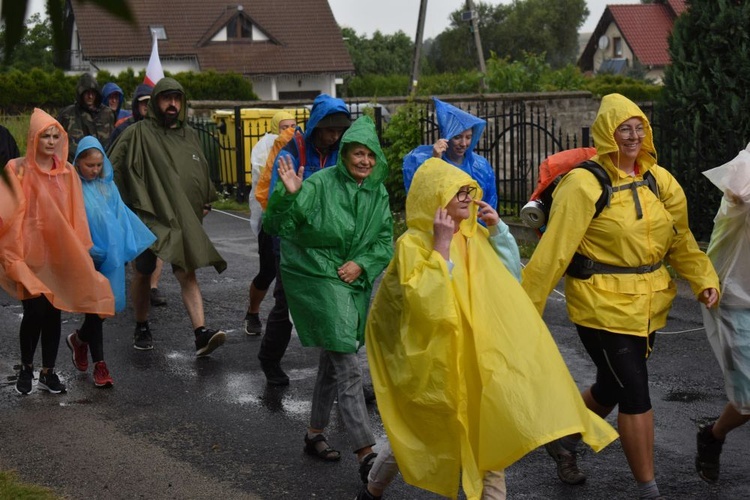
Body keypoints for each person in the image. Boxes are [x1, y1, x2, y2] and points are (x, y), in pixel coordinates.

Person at [361, 158, 617, 500]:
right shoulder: (413, 244)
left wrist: (498, 230)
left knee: (487, 446)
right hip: (437, 364)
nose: (468, 197)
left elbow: (510, 279)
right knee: (418, 432)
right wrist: (440, 245)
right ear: (436, 197)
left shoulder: (476, 236)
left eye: (470, 190)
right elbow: (425, 302)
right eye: (458, 192)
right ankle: (373, 489)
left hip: (479, 358)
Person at [521, 93, 720, 499]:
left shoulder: (659, 180)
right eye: (623, 128)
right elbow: (554, 251)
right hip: (599, 305)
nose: (632, 136)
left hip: (647, 304)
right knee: (634, 391)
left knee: (611, 387)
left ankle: (564, 440)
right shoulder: (583, 183)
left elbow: (681, 239)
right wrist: (524, 311)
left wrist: (703, 279)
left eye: (638, 127)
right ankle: (649, 489)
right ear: (607, 134)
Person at [263, 115, 393, 481]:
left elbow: (384, 242)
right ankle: (366, 452)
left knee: (332, 359)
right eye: (357, 153)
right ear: (346, 153)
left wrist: (362, 265)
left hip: (352, 282)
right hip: (318, 276)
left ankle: (314, 434)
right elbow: (278, 226)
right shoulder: (319, 184)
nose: (364, 161)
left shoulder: (377, 193)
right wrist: (289, 196)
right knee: (348, 366)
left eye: (370, 154)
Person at [108, 77, 227, 356]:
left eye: (177, 98)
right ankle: (141, 324)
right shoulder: (137, 133)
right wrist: (121, 207)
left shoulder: (190, 135)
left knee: (187, 270)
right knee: (144, 271)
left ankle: (201, 333)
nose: (172, 104)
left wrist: (206, 196)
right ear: (156, 102)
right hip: (149, 218)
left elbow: (200, 169)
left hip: (183, 217)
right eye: (166, 98)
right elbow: (111, 168)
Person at [0, 109, 114, 395]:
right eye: (45, 136)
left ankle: (48, 372)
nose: (50, 141)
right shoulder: (17, 169)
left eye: (55, 136)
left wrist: (81, 252)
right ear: (34, 138)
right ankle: (27, 367)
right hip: (29, 255)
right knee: (34, 311)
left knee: (53, 313)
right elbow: (5, 209)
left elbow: (77, 216)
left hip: (59, 256)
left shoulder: (66, 173)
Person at [258, 93, 351, 385]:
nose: (334, 136)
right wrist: (294, 193)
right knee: (287, 305)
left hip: (328, 241)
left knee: (336, 304)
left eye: (339, 130)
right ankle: (269, 359)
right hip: (290, 242)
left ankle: (345, 377)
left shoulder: (341, 153)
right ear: (316, 127)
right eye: (329, 129)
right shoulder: (290, 153)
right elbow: (276, 203)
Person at [67, 136, 156, 387]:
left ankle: (79, 340)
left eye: (98, 165)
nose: (95, 170)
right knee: (95, 308)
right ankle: (101, 365)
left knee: (104, 310)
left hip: (110, 257)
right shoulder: (73, 187)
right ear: (78, 164)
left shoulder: (108, 186)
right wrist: (87, 248)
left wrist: (123, 246)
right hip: (86, 257)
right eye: (89, 166)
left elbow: (120, 216)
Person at [695, 145, 750, 483]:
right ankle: (712, 436)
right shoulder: (744, 168)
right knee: (748, 399)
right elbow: (739, 192)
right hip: (734, 299)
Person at [107, 83, 167, 308]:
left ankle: (152, 286)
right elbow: (111, 159)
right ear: (136, 105)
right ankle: (141, 282)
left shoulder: (163, 130)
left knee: (159, 242)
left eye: (150, 102)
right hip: (132, 198)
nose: (147, 106)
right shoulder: (124, 129)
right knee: (138, 246)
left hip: (158, 196)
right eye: (143, 102)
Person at [244, 110, 296, 335]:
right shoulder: (265, 148)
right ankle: (253, 312)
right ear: (276, 128)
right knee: (267, 272)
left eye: (293, 125)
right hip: (270, 219)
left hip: (293, 221)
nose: (290, 131)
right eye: (284, 127)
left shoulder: (298, 147)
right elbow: (262, 180)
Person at [402, 97, 498, 210]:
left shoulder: (480, 166)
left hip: (474, 227)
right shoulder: (422, 160)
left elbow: (489, 206)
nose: (463, 143)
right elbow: (422, 200)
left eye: (468, 137)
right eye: (457, 137)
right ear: (446, 137)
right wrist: (435, 162)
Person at [57, 72, 115, 162]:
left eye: (93, 93)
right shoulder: (67, 114)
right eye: (86, 93)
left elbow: (113, 141)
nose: (90, 96)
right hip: (74, 165)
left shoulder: (107, 113)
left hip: (103, 164)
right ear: (81, 94)